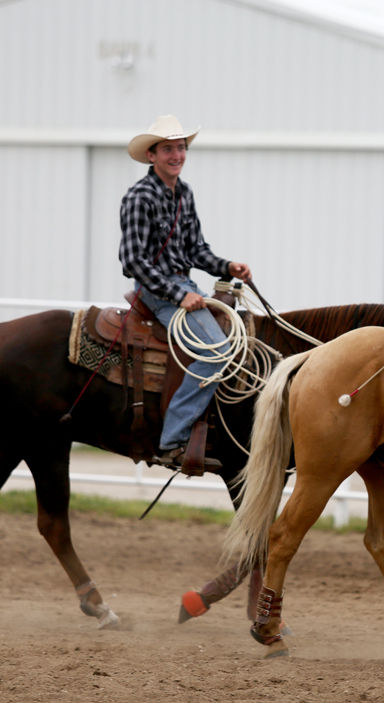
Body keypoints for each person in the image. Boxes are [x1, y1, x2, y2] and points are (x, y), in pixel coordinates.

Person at [119, 114, 252, 469]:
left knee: (236, 339)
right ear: (152, 155)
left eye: (181, 148)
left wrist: (226, 267)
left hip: (185, 284)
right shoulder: (138, 197)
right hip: (157, 289)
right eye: (168, 149)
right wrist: (177, 295)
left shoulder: (185, 193)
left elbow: (196, 250)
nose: (176, 155)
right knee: (219, 352)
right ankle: (172, 440)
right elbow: (133, 260)